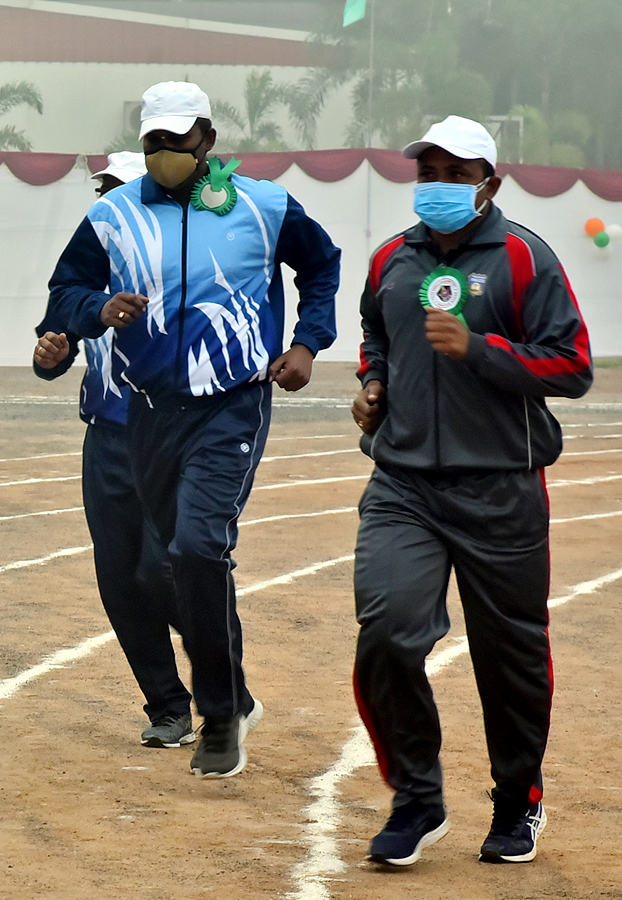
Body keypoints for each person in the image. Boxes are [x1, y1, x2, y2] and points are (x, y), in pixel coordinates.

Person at [47, 81, 341, 779]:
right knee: (160, 566)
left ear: (206, 139)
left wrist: (306, 343)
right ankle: (226, 697)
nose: (164, 154)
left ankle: (218, 716)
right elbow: (65, 293)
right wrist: (97, 308)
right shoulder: (114, 214)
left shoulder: (262, 204)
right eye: (153, 142)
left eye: (177, 142)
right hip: (147, 413)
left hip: (230, 404)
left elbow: (321, 264)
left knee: (198, 547)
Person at [351, 115, 592, 867]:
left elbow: (573, 366)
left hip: (501, 488)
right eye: (429, 171)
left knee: (510, 657)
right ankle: (417, 797)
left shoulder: (525, 258)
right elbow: (377, 334)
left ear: (491, 183)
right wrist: (373, 382)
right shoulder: (392, 258)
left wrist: (480, 349)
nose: (440, 186)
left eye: (458, 174)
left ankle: (518, 801)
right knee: (387, 631)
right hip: (403, 484)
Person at [32, 150, 192, 749]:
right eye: (101, 189)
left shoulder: (176, 265)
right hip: (105, 438)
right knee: (118, 578)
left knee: (163, 570)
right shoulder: (87, 269)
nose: (107, 200)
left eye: (117, 188)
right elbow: (55, 340)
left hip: (169, 434)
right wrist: (50, 356)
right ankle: (169, 704)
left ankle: (219, 668)